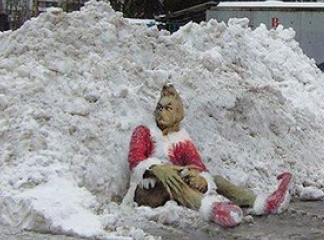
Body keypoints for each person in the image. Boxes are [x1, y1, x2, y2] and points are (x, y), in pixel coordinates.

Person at [124, 83, 291, 228]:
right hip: (147, 191)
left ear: (177, 113)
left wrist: (202, 180)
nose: (161, 112)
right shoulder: (144, 131)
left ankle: (259, 203)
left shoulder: (181, 139)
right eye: (159, 108)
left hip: (173, 188)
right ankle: (211, 209)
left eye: (168, 109)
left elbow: (198, 165)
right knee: (173, 180)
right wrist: (156, 168)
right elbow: (135, 160)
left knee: (216, 180)